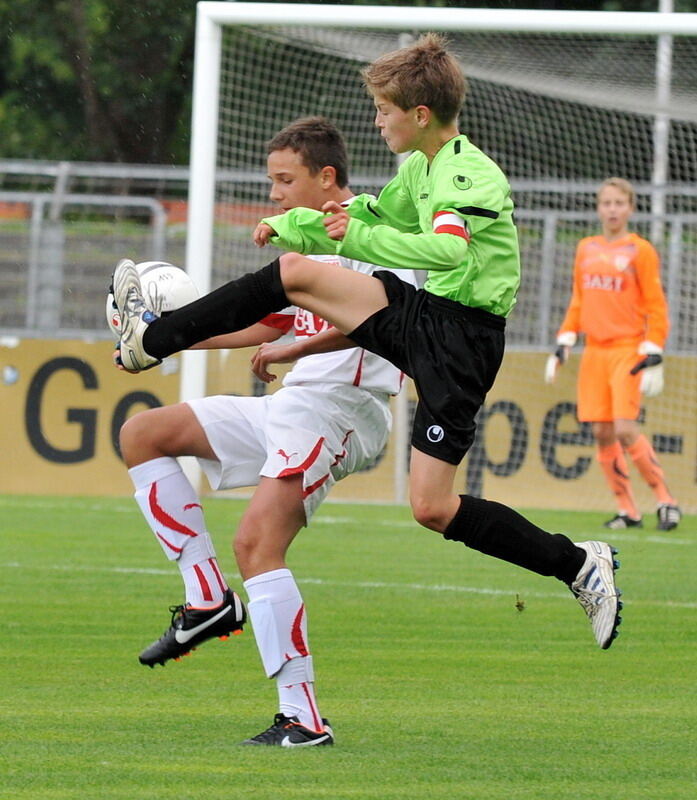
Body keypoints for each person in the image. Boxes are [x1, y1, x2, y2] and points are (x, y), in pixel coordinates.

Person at [112, 35, 623, 659]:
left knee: (432, 508)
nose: (376, 121)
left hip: (463, 341)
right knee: (295, 272)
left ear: (420, 115)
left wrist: (357, 239)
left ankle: (576, 565)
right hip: (425, 318)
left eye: (384, 110)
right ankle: (154, 341)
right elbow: (370, 216)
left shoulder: (467, 172)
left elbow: (447, 250)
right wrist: (292, 225)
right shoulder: (419, 168)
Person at [117, 116, 416, 746]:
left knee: (257, 545)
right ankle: (208, 599)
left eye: (285, 180)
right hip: (293, 406)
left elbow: (382, 320)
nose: (274, 194)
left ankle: (303, 718)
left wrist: (292, 355)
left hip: (344, 408)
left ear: (325, 177)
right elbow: (265, 324)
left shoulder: (379, 231)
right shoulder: (302, 250)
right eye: (272, 181)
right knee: (143, 433)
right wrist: (162, 345)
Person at [545, 177, 681, 532]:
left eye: (619, 203)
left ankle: (666, 500)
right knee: (602, 434)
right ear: (598, 207)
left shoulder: (641, 250)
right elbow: (579, 299)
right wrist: (564, 340)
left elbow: (656, 304)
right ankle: (628, 510)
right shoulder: (586, 248)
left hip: (627, 350)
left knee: (624, 428)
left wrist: (654, 349)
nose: (612, 209)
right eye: (606, 203)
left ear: (631, 208)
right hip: (594, 353)